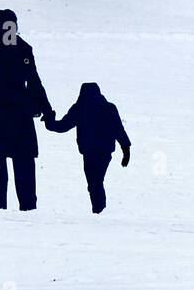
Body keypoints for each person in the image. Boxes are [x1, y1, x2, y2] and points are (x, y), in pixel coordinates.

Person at [0, 8, 55, 211]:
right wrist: (47, 111)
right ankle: (29, 212)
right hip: (21, 116)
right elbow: (35, 82)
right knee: (25, 168)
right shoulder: (24, 49)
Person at [47, 82, 131, 213]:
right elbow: (119, 130)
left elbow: (63, 126)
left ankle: (99, 210)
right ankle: (98, 210)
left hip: (90, 152)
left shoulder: (80, 108)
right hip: (103, 152)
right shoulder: (108, 108)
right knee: (95, 182)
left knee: (94, 182)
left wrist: (50, 122)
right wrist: (126, 150)